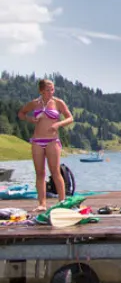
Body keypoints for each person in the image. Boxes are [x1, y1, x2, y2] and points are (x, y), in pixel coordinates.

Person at [17, 79, 74, 213]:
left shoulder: (58, 102)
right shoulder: (34, 103)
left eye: (52, 89)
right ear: (41, 91)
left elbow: (70, 117)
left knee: (55, 171)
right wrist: (30, 119)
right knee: (40, 173)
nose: (50, 92)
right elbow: (21, 113)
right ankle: (42, 203)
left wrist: (58, 124)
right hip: (37, 141)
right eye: (48, 90)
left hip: (52, 141)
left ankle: (62, 201)